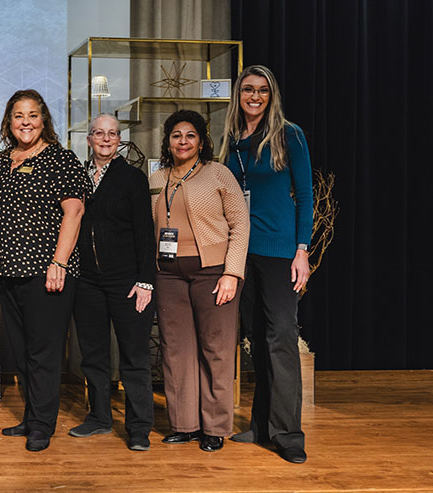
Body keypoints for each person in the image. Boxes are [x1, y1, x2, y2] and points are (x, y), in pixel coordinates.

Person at [219, 65, 313, 464]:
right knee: (256, 339)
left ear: (271, 96)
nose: (254, 97)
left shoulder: (288, 134)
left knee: (280, 338)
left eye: (262, 91)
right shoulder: (230, 141)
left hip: (279, 251)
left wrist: (302, 250)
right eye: (247, 90)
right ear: (238, 95)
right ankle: (260, 424)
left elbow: (305, 195)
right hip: (241, 251)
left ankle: (289, 434)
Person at [0, 89, 88, 452]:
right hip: (8, 271)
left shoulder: (61, 159)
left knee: (43, 351)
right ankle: (32, 416)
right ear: (8, 122)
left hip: (48, 270)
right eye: (18, 115)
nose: (25, 122)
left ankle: (43, 424)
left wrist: (58, 262)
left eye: (32, 114)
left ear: (43, 119)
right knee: (22, 349)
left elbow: (74, 212)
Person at [150, 109, 249, 453]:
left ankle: (215, 427)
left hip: (213, 273)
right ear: (167, 141)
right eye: (176, 135)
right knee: (176, 351)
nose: (183, 141)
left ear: (202, 141)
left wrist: (232, 273)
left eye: (190, 135)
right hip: (168, 275)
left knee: (216, 351)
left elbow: (240, 224)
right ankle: (184, 424)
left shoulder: (218, 173)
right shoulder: (157, 177)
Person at [71, 114, 156, 452]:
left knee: (134, 356)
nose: (106, 139)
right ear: (89, 138)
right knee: (92, 355)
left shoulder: (132, 178)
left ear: (119, 139)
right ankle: (99, 417)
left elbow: (145, 235)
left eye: (112, 134)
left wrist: (145, 281)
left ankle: (139, 428)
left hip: (127, 282)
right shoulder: (77, 177)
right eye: (99, 133)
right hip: (87, 282)